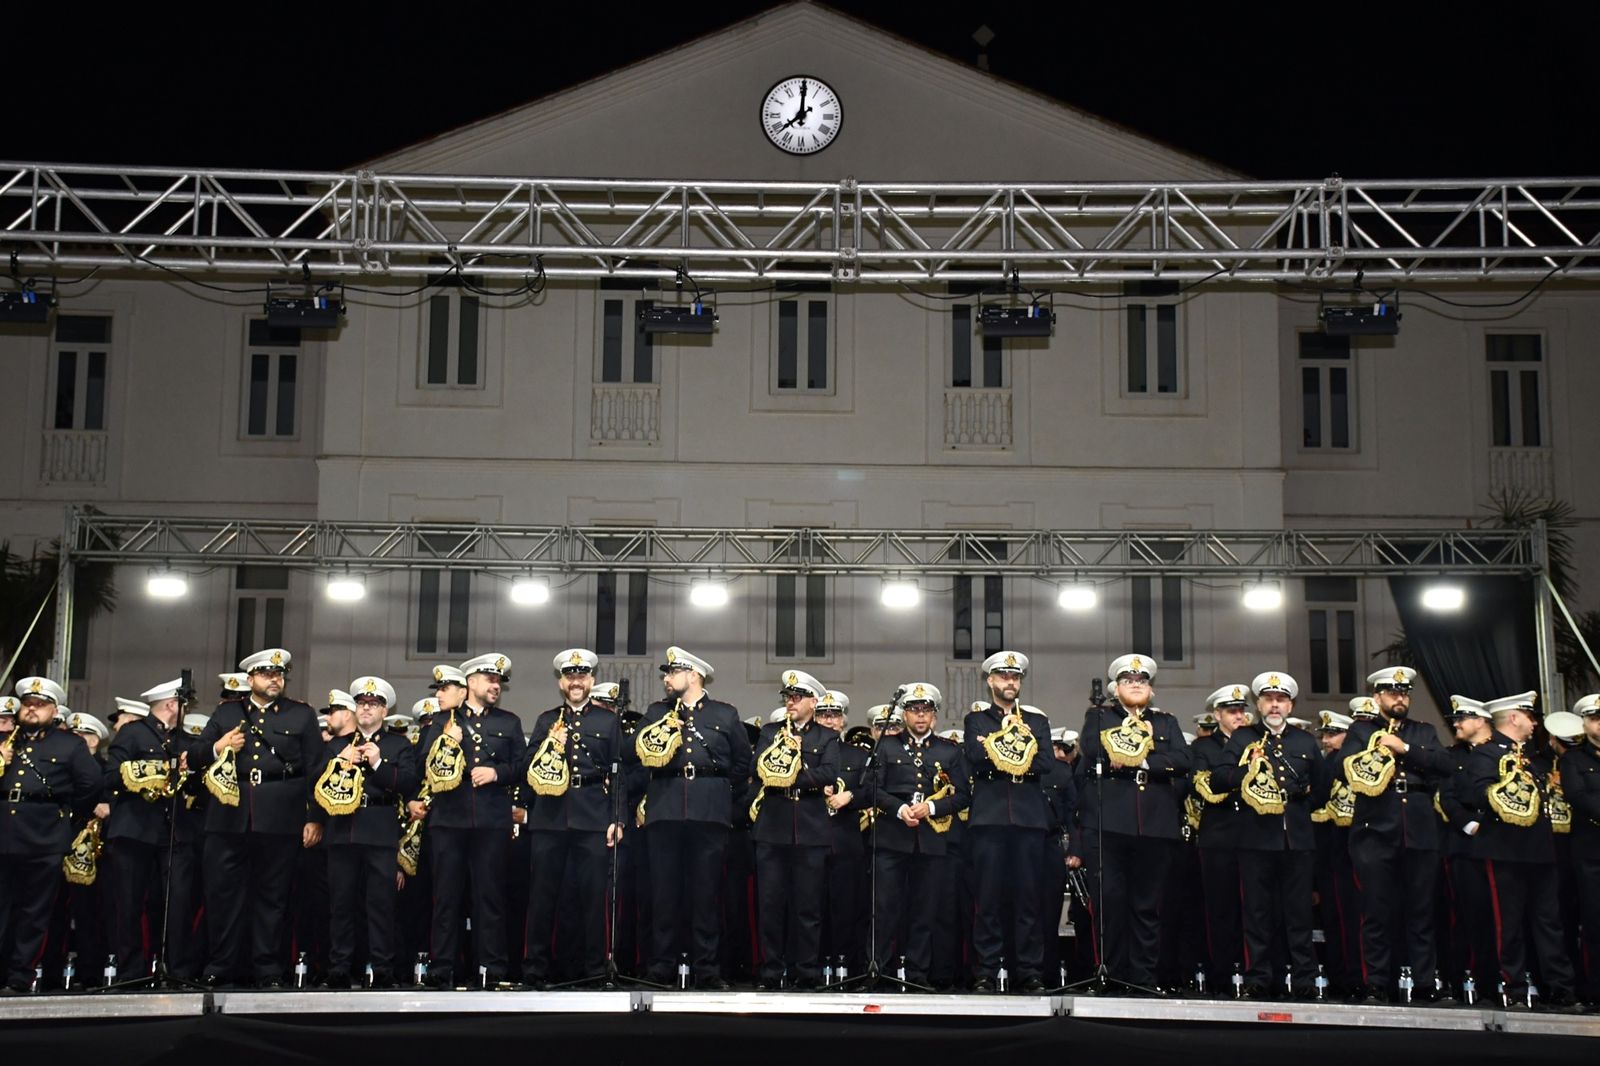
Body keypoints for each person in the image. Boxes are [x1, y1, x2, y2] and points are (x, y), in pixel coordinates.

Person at [194, 648, 322, 988]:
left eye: (279, 674)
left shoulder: (301, 715)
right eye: (266, 674)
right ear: (250, 679)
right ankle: (221, 965)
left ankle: (268, 969)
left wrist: (314, 816)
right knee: (223, 896)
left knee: (273, 898)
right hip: (228, 817)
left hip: (281, 817)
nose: (274, 679)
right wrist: (218, 748)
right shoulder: (226, 713)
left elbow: (316, 769)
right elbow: (194, 757)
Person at [1454, 691, 1579, 1010]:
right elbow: (1475, 795)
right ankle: (1515, 986)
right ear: (1514, 717)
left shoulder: (1533, 758)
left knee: (1550, 922)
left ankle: (1559, 987)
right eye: (1530, 716)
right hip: (1505, 850)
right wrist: (1507, 784)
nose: (1535, 722)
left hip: (1540, 850)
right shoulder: (1486, 754)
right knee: (1507, 923)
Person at [636, 646, 752, 990]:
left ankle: (707, 968)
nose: (667, 679)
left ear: (694, 675)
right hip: (666, 807)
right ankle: (661, 966)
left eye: (673, 672)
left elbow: (742, 763)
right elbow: (633, 752)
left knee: (706, 894)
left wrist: (714, 791)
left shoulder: (724, 713)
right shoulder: (657, 711)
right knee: (664, 893)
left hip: (708, 811)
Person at [1074, 654, 1191, 992]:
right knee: (1109, 904)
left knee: (1147, 907)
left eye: (1142, 681)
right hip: (1109, 824)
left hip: (1155, 826)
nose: (1136, 685)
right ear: (1116, 688)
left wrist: (1138, 759)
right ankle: (1111, 974)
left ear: (1151, 690)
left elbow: (1183, 761)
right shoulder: (1099, 716)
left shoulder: (1166, 722)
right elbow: (1093, 748)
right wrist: (1148, 757)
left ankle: (1142, 978)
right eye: (1128, 681)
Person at [1210, 671, 1329, 999]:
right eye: (1268, 699)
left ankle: (1304, 980)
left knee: (1299, 914)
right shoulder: (1243, 737)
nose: (1274, 705)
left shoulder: (1304, 741)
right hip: (1255, 837)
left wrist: (1301, 803)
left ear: (1290, 705)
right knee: (1257, 913)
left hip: (1298, 840)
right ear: (1259, 705)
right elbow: (1219, 779)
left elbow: (1323, 786)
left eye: (1280, 700)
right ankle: (1259, 978)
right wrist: (1248, 772)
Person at [1340, 666, 1455, 1003]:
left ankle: (1424, 983)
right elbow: (1345, 768)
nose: (1399, 698)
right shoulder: (1361, 730)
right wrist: (1380, 749)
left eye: (1404, 692)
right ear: (1377, 697)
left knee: (1421, 911)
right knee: (1376, 911)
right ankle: (1376, 983)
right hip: (1375, 829)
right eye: (1392, 692)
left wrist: (1404, 748)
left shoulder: (1423, 731)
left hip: (1418, 829)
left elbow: (1444, 764)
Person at [415, 653, 525, 989]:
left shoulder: (509, 722)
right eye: (490, 680)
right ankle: (442, 967)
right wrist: (448, 742)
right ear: (471, 683)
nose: (496, 686)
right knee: (446, 897)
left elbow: (523, 766)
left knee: (489, 896)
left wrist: (496, 772)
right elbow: (423, 764)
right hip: (450, 818)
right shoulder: (442, 721)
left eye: (499, 682)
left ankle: (490, 967)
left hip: (492, 819)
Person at [520, 649, 628, 988]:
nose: (576, 681)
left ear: (591, 681)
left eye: (582, 676)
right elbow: (526, 768)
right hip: (550, 817)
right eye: (570, 676)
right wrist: (549, 745)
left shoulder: (607, 720)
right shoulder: (546, 720)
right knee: (543, 898)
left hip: (593, 815)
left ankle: (594, 968)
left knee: (593, 898)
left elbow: (620, 773)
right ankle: (536, 969)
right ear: (561, 683)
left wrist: (618, 818)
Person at [311, 675, 419, 988]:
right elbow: (315, 783)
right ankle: (340, 968)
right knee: (341, 904)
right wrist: (339, 762)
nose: (367, 708)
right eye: (361, 703)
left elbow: (409, 783)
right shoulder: (337, 744)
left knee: (381, 905)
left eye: (374, 704)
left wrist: (378, 763)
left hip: (380, 829)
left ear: (385, 711)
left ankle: (383, 970)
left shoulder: (398, 744)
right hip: (342, 830)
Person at [0, 677, 103, 993]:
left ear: (54, 710)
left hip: (43, 837)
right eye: (27, 704)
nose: (32, 710)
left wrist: (68, 816)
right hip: (4, 833)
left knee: (33, 912)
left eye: (40, 705)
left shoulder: (68, 744)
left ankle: (19, 975)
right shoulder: (5, 741)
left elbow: (91, 785)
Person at [865, 682, 968, 989]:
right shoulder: (886, 745)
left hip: (932, 841)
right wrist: (899, 809)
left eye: (926, 711)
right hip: (891, 837)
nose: (920, 717)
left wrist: (933, 807)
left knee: (924, 911)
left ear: (934, 716)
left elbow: (962, 795)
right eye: (914, 710)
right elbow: (871, 788)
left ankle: (917, 974)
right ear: (904, 714)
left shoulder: (949, 750)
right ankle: (877, 971)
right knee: (883, 909)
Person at [963, 653, 1055, 993]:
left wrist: (999, 754)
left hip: (1029, 817)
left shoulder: (1037, 720)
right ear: (990, 681)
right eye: (1003, 676)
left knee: (1028, 899)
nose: (1010, 682)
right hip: (989, 816)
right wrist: (1017, 753)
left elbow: (1046, 762)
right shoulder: (976, 720)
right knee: (987, 899)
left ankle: (1029, 971)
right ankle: (986, 971)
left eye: (1015, 677)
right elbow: (973, 756)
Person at [747, 670, 839, 989]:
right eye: (787, 697)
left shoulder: (826, 737)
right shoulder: (771, 731)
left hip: (811, 829)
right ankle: (772, 971)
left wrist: (790, 773)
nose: (791, 702)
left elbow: (829, 773)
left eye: (797, 697)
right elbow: (758, 768)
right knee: (771, 904)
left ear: (813, 702)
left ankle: (806, 971)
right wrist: (783, 768)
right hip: (773, 825)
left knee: (808, 906)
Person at [103, 681, 200, 982]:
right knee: (130, 903)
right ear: (171, 704)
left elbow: (198, 786)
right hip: (135, 830)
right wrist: (151, 773)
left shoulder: (186, 740)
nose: (187, 709)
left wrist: (192, 771)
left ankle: (177, 969)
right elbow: (111, 776)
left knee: (179, 904)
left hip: (175, 832)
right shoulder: (133, 733)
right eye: (184, 704)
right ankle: (130, 971)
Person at [1189, 684, 1252, 993]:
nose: (1238, 716)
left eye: (1241, 710)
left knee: (1255, 908)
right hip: (1218, 833)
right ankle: (1222, 975)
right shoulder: (1204, 747)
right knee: (1220, 909)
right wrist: (1242, 782)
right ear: (1218, 715)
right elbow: (1202, 784)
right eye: (1231, 711)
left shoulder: (1257, 742)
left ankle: (1255, 973)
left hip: (1254, 833)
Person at [1561, 694, 1600, 1004]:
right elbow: (1577, 796)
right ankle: (1594, 988)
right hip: (1590, 851)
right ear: (1585, 723)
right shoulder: (1573, 759)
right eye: (1595, 718)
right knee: (1593, 921)